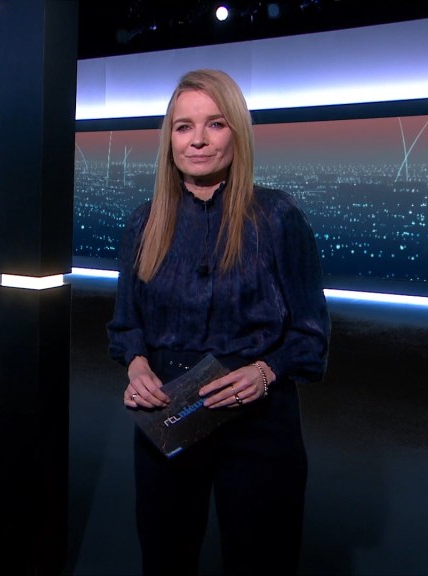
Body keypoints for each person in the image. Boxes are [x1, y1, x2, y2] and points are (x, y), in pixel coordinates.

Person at [107, 69, 330, 575]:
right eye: (184, 126)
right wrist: (137, 366)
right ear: (169, 139)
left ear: (238, 133)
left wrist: (266, 372)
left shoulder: (277, 217)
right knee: (165, 559)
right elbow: (126, 324)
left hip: (258, 421)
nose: (198, 140)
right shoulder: (144, 222)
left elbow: (310, 333)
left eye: (215, 124)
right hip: (169, 412)